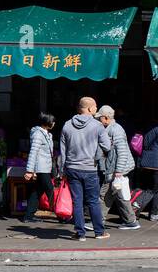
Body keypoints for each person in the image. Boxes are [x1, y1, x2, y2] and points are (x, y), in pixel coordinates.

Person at [56, 97, 112, 242]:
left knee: (77, 201)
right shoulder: (97, 126)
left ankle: (79, 233)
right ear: (88, 109)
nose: (96, 110)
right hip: (89, 168)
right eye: (95, 107)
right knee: (93, 201)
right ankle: (99, 232)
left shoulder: (67, 125)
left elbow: (63, 150)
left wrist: (62, 171)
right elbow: (107, 146)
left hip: (72, 168)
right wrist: (97, 152)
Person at [95, 105, 140, 231]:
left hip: (116, 169)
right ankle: (131, 221)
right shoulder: (111, 129)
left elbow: (122, 151)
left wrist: (119, 170)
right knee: (119, 195)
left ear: (106, 118)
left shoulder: (116, 130)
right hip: (116, 169)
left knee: (105, 195)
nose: (99, 120)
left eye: (100, 118)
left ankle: (98, 221)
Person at [133, 114, 158, 222]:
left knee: (147, 188)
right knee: (157, 188)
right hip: (156, 164)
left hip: (143, 162)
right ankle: (152, 213)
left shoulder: (147, 128)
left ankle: (135, 208)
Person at [20, 112, 56, 223]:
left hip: (45, 167)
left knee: (36, 192)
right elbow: (33, 152)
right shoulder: (38, 134)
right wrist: (30, 170)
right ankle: (61, 212)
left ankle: (28, 215)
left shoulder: (47, 134)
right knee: (50, 189)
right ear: (47, 123)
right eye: (52, 121)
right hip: (41, 168)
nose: (54, 124)